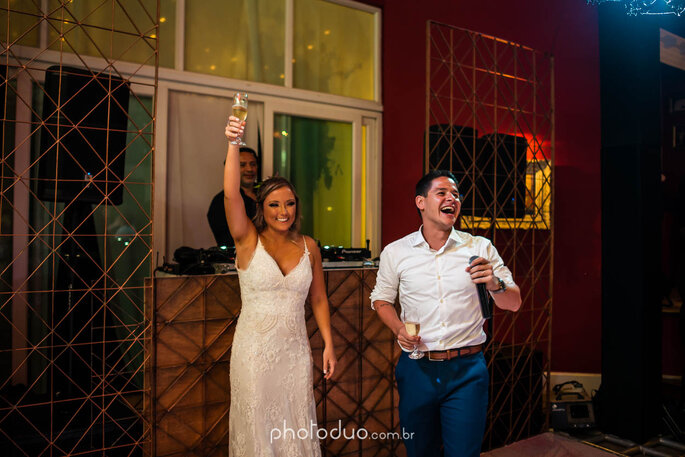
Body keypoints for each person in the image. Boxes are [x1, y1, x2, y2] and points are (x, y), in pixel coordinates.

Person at [370, 170, 521, 457]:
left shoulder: (479, 248)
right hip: (417, 368)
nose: (452, 198)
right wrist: (398, 329)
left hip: (467, 370)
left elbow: (513, 302)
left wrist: (493, 282)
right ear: (421, 202)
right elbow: (381, 299)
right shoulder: (396, 252)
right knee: (419, 451)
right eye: (442, 192)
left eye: (456, 194)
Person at [223, 115, 337, 455]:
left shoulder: (309, 246)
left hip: (295, 353)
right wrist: (233, 143)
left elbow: (318, 300)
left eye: (289, 203)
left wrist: (328, 345)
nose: (283, 211)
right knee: (258, 430)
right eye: (274, 204)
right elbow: (231, 194)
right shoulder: (246, 240)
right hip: (254, 353)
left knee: (295, 426)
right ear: (262, 208)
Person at [207, 146, 258, 247]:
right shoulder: (220, 201)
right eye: (242, 165)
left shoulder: (265, 194)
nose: (249, 169)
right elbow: (227, 240)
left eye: (253, 164)